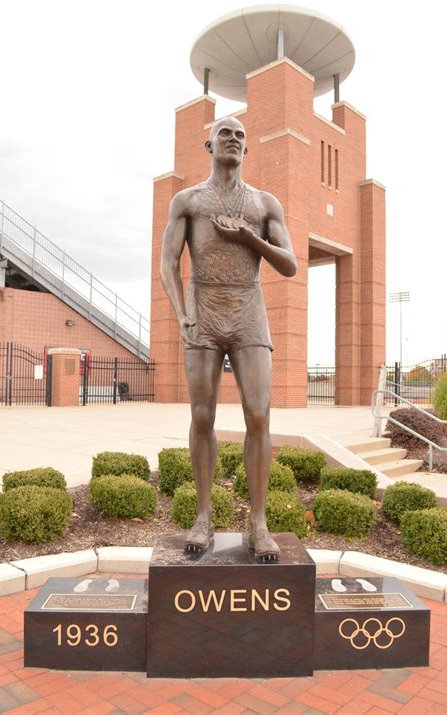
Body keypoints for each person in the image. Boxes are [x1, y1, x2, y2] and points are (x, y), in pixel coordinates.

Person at [160, 116, 297, 561]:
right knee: (202, 415)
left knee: (258, 413)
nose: (234, 139)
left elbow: (290, 264)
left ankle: (258, 524)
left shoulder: (263, 203)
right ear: (209, 145)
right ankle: (203, 517)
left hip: (248, 311)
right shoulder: (188, 200)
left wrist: (249, 238)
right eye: (225, 133)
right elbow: (167, 263)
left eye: (241, 135)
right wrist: (181, 314)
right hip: (203, 309)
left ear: (246, 150)